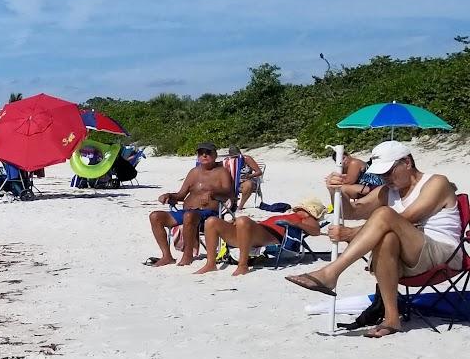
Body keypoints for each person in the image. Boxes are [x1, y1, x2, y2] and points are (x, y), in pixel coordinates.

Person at [287, 141, 462, 337]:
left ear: (407, 162)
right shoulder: (388, 191)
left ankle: (331, 272)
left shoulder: (437, 182)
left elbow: (408, 216)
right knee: (387, 238)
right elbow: (351, 212)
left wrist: (353, 234)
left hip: (445, 254)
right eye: (380, 174)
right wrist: (336, 191)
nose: (385, 178)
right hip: (409, 257)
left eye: (388, 172)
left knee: (385, 215)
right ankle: (392, 319)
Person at [145, 142, 234, 266]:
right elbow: (181, 195)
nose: (204, 155)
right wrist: (169, 195)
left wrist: (213, 193)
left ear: (215, 155)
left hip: (208, 214)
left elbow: (229, 193)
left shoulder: (221, 172)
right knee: (155, 216)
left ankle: (187, 255)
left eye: (208, 153)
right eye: (201, 153)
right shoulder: (194, 172)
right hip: (187, 212)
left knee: (189, 216)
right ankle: (167, 256)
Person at [195, 197, 326, 276]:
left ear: (309, 211)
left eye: (302, 209)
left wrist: (295, 223)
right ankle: (210, 263)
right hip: (254, 231)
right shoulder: (291, 214)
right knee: (212, 221)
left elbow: (316, 231)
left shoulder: (307, 220)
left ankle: (243, 265)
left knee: (243, 220)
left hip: (270, 236)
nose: (298, 209)